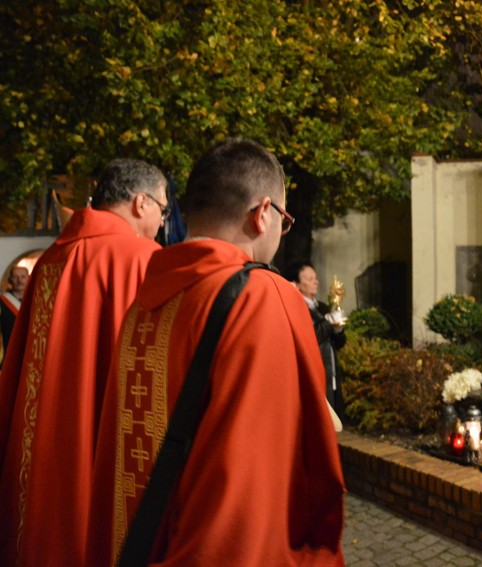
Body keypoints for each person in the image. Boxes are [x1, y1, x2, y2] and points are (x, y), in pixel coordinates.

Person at [88, 139, 345, 566]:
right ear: (264, 214)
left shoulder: (144, 301)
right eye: (284, 220)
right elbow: (259, 487)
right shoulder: (262, 296)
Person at [0, 159, 166, 567]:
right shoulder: (141, 257)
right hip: (103, 442)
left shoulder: (52, 259)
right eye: (163, 208)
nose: (163, 221)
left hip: (42, 445)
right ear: (141, 203)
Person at [284, 262, 348, 418]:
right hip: (312, 375)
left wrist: (338, 331)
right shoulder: (295, 308)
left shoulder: (323, 307)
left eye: (316, 278)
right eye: (309, 278)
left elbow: (338, 344)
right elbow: (309, 337)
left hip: (330, 372)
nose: (315, 282)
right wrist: (327, 323)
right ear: (297, 284)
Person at [0, 265, 29, 362]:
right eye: (15, 277)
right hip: (9, 351)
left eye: (23, 277)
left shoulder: (37, 301)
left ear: (29, 278)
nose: (19, 280)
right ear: (10, 280)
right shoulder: (2, 301)